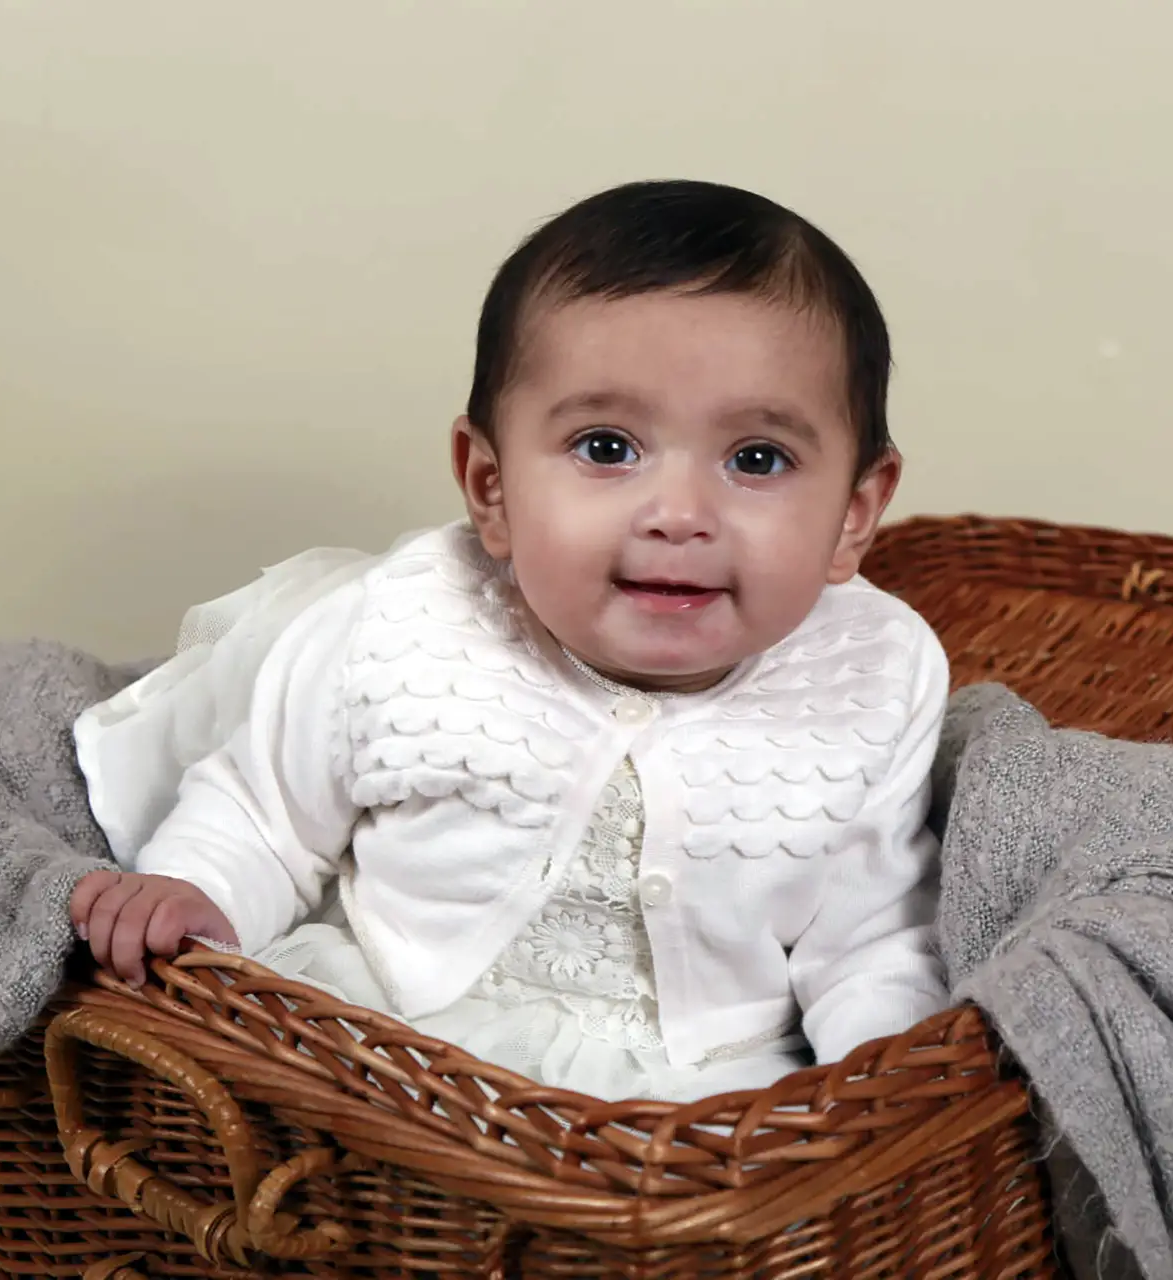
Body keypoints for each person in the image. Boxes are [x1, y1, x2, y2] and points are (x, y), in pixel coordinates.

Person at [67, 179, 951, 1102]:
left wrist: (880, 1084)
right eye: (607, 448)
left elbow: (873, 933)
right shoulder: (411, 626)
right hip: (386, 1038)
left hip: (703, 1093)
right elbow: (265, 814)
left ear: (855, 513)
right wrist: (195, 891)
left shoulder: (869, 676)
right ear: (489, 486)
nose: (680, 516)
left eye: (757, 459)